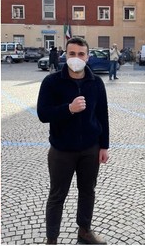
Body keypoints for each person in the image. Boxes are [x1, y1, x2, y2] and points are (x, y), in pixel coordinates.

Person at [37, 37, 109, 245]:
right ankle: (52, 239)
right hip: (62, 150)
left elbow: (102, 115)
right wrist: (68, 109)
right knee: (57, 195)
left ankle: (84, 230)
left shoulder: (96, 82)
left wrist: (104, 146)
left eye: (80, 54)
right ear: (65, 55)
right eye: (72, 54)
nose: (76, 58)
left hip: (90, 148)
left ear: (87, 57)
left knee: (88, 191)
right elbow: (43, 114)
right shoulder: (51, 82)